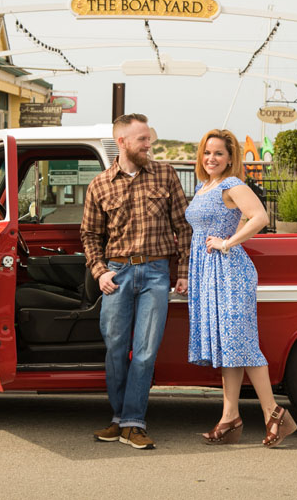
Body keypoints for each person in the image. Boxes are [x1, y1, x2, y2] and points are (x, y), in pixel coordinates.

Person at [81, 113, 191, 450]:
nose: (149, 144)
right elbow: (89, 235)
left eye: (149, 138)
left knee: (144, 352)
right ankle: (120, 419)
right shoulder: (100, 184)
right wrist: (100, 272)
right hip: (118, 273)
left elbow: (183, 227)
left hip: (156, 274)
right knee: (115, 349)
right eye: (142, 139)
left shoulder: (165, 174)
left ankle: (133, 422)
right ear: (123, 142)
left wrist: (183, 271)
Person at [182, 128, 297, 447]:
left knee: (241, 343)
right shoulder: (204, 186)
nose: (211, 158)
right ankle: (229, 417)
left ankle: (274, 414)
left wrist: (227, 242)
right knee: (227, 346)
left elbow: (259, 216)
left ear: (231, 158)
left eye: (219, 153)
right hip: (207, 273)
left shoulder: (232, 184)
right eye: (207, 152)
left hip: (229, 270)